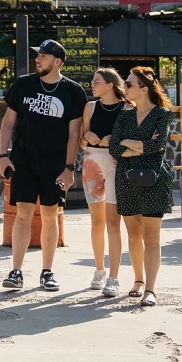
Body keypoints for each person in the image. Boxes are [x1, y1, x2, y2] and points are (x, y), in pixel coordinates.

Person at [0, 40, 87, 292]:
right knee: (22, 214)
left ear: (57, 61)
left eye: (44, 56)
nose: (38, 59)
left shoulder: (73, 91)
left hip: (55, 165)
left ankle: (47, 271)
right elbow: (8, 122)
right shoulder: (23, 85)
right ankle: (16, 271)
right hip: (24, 160)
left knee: (50, 215)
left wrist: (70, 168)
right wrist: (3, 155)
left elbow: (73, 134)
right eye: (38, 55)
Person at [112, 66, 177, 308]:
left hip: (154, 179)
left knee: (151, 237)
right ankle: (137, 280)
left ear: (143, 88)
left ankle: (150, 288)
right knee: (133, 234)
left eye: (128, 84)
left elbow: (158, 145)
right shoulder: (124, 115)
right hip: (126, 179)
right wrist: (139, 144)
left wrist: (129, 144)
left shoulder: (162, 114)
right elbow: (114, 149)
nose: (124, 88)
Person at [80, 68, 130, 296]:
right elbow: (81, 141)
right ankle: (99, 269)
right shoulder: (90, 107)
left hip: (115, 163)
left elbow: (132, 138)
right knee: (96, 221)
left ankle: (114, 277)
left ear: (110, 84)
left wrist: (114, 139)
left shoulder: (127, 108)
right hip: (91, 161)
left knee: (113, 222)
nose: (92, 84)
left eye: (97, 81)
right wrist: (86, 137)